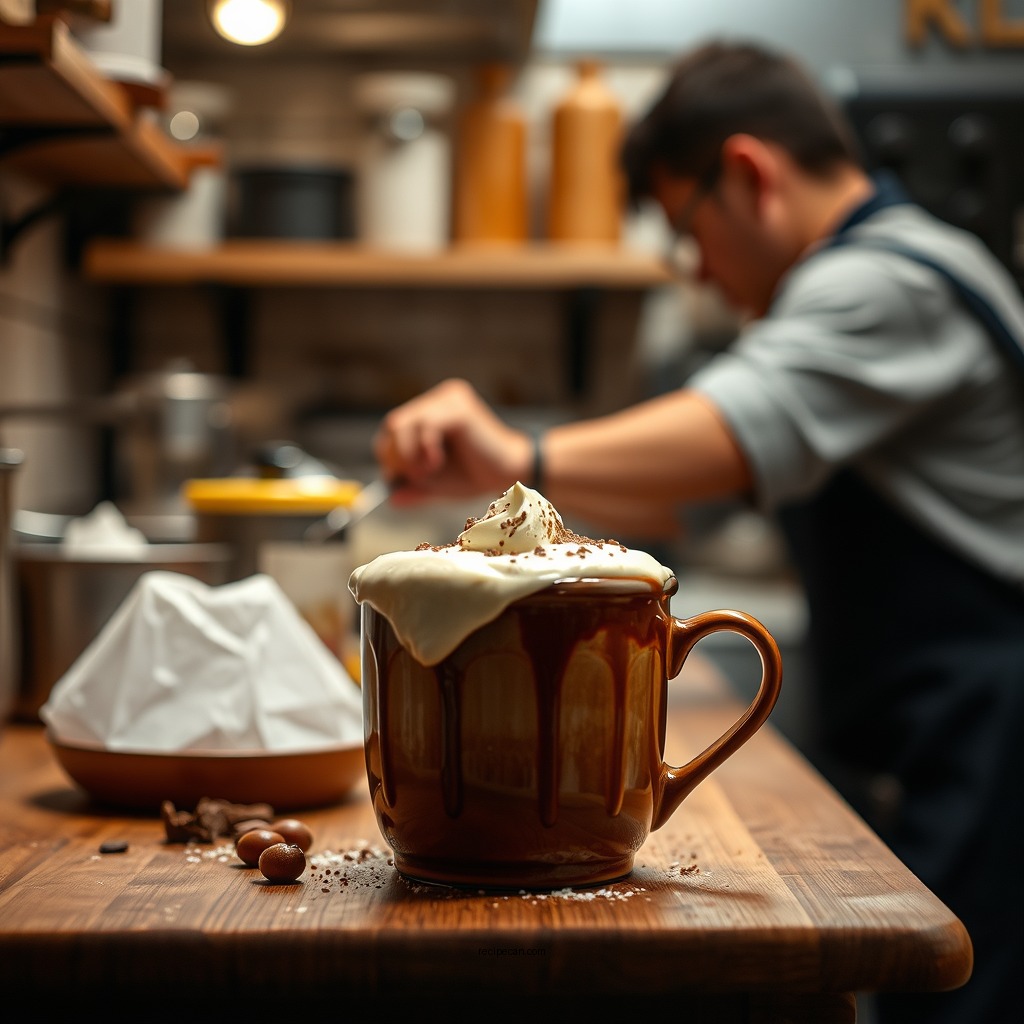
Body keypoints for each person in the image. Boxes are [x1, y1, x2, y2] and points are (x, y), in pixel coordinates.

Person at [372, 41, 1024, 1024]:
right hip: (950, 713)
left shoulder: (885, 281)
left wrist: (520, 452)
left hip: (998, 720)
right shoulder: (886, 272)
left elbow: (730, 433)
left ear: (751, 176)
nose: (702, 273)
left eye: (689, 226)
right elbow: (686, 505)